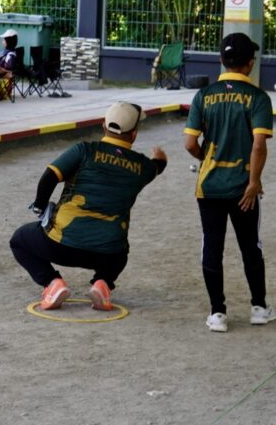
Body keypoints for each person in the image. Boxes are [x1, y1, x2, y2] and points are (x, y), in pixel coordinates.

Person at [10, 102, 167, 311]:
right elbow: (157, 167)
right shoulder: (143, 166)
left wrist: (40, 207)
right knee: (122, 250)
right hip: (107, 252)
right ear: (134, 134)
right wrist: (160, 159)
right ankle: (102, 283)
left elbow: (49, 177)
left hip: (60, 245)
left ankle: (52, 283)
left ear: (104, 126)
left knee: (19, 240)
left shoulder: (84, 150)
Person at [183, 32, 276, 333]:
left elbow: (189, 143)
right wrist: (254, 182)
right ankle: (259, 307)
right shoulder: (258, 98)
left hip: (209, 186)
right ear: (250, 63)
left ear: (222, 60)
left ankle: (217, 312)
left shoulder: (203, 96)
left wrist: (206, 158)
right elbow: (259, 145)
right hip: (242, 188)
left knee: (212, 246)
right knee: (251, 247)